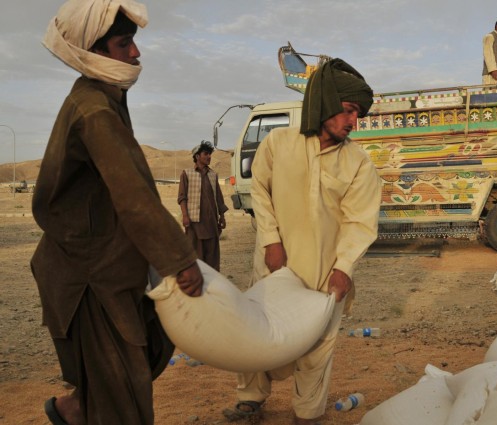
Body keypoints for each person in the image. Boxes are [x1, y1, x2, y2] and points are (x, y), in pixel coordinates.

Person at [33, 1, 203, 424]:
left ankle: (75, 408)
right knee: (124, 402)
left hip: (106, 271)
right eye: (124, 44)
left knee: (143, 356)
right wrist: (180, 261)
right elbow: (134, 197)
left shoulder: (102, 100)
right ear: (96, 52)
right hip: (90, 281)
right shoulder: (94, 110)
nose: (135, 54)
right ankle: (80, 408)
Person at [223, 59, 381, 425]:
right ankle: (250, 400)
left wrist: (343, 268)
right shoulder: (278, 144)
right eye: (347, 111)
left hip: (324, 272)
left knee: (317, 346)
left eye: (357, 114)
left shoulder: (358, 163)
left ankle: (307, 414)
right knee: (256, 332)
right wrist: (271, 240)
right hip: (274, 265)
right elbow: (259, 191)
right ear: (325, 103)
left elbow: (360, 222)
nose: (352, 122)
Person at [178, 141, 229, 271]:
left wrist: (222, 217)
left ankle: (213, 285)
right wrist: (185, 216)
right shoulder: (186, 174)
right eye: (205, 154)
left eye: (210, 154)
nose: (209, 157)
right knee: (196, 256)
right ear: (197, 156)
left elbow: (219, 197)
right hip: (194, 223)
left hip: (211, 223)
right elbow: (182, 197)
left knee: (212, 256)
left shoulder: (213, 175)